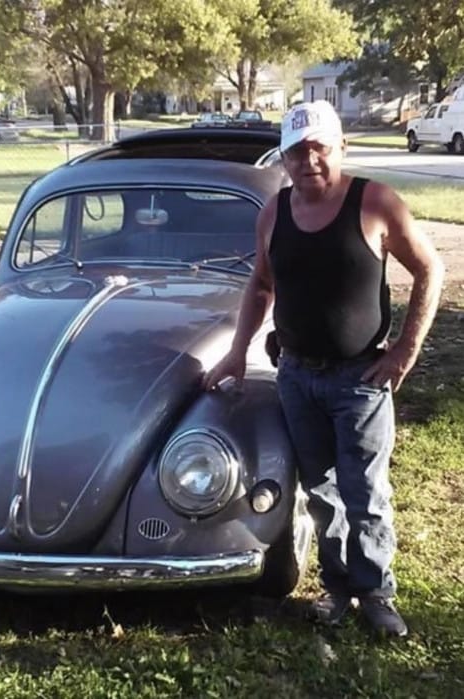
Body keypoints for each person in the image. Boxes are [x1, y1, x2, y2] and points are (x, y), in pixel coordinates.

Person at [203, 100, 444, 637]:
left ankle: (376, 593)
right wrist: (237, 351)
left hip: (360, 378)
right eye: (296, 152)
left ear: (341, 147)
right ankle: (336, 589)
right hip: (296, 375)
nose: (308, 160)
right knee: (319, 492)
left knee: (365, 493)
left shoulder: (375, 201)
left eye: (318, 148)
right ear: (284, 158)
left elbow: (430, 268)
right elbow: (261, 284)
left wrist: (405, 350)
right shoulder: (274, 211)